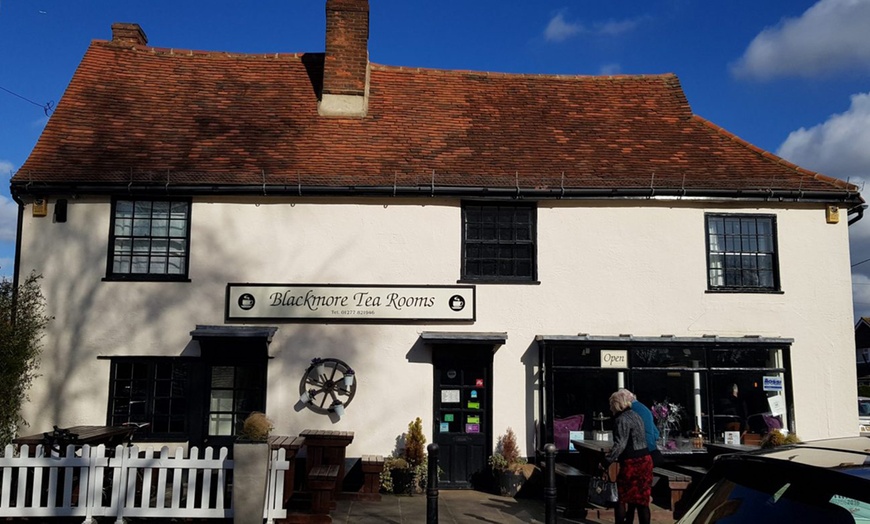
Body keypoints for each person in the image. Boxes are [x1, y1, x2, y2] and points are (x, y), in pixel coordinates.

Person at [604, 389, 653, 524]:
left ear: (617, 404)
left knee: (623, 497)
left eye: (611, 404)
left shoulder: (621, 420)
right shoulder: (636, 416)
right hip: (646, 460)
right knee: (642, 500)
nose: (610, 407)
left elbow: (620, 444)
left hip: (632, 462)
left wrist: (607, 461)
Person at [623, 389, 662, 466]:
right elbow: (656, 433)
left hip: (640, 453)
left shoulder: (630, 411)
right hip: (652, 451)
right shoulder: (645, 409)